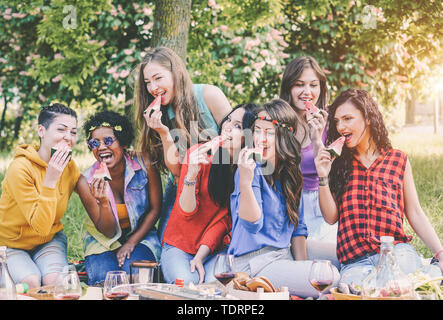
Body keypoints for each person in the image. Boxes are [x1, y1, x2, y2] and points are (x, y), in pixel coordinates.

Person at [314, 88, 443, 286]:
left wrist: (440, 253)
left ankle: (432, 269)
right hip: (355, 261)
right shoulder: (337, 163)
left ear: (367, 118)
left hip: (396, 252)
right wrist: (322, 176)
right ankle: (429, 273)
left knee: (400, 287)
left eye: (348, 118)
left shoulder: (398, 160)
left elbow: (415, 212)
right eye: (337, 121)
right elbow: (331, 217)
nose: (341, 126)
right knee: (361, 291)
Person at [228, 99, 340, 298]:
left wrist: (301, 267)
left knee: (344, 254)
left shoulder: (291, 172)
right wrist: (245, 183)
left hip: (283, 253)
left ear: (283, 136)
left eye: (268, 132)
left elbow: (298, 227)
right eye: (257, 130)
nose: (260, 138)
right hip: (255, 263)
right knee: (331, 277)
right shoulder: (249, 170)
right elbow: (252, 224)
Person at [133, 46, 232, 242]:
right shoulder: (159, 114)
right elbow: (177, 171)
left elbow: (236, 137)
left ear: (176, 73)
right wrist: (162, 132)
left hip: (219, 183)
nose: (152, 88)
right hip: (183, 184)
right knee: (167, 241)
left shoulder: (209, 95)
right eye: (147, 82)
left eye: (158, 78)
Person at [161, 104, 258, 285]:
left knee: (216, 285)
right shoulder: (197, 154)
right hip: (180, 244)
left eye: (238, 126)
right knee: (188, 285)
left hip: (214, 249)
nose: (228, 127)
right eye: (228, 120)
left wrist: (200, 256)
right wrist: (191, 174)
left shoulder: (245, 169)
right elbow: (186, 212)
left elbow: (224, 220)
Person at [0, 103, 81, 288]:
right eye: (61, 130)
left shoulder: (69, 165)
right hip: (11, 244)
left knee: (55, 284)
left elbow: (91, 191)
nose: (68, 138)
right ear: (41, 130)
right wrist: (50, 180)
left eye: (73, 132)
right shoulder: (20, 168)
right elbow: (40, 227)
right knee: (31, 282)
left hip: (48, 241)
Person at [77, 111, 162, 286]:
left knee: (139, 280)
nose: (101, 147)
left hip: (141, 235)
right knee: (108, 284)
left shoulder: (145, 163)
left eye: (108, 141)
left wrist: (131, 242)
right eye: (94, 143)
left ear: (123, 143)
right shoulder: (85, 181)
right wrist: (104, 203)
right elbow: (107, 232)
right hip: (102, 241)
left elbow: (155, 209)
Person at [279, 56, 339, 268]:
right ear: (289, 87)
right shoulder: (279, 123)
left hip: (326, 202)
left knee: (337, 259)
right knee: (310, 262)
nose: (307, 92)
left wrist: (317, 138)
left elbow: (329, 166)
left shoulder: (331, 120)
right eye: (299, 84)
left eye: (313, 85)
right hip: (294, 203)